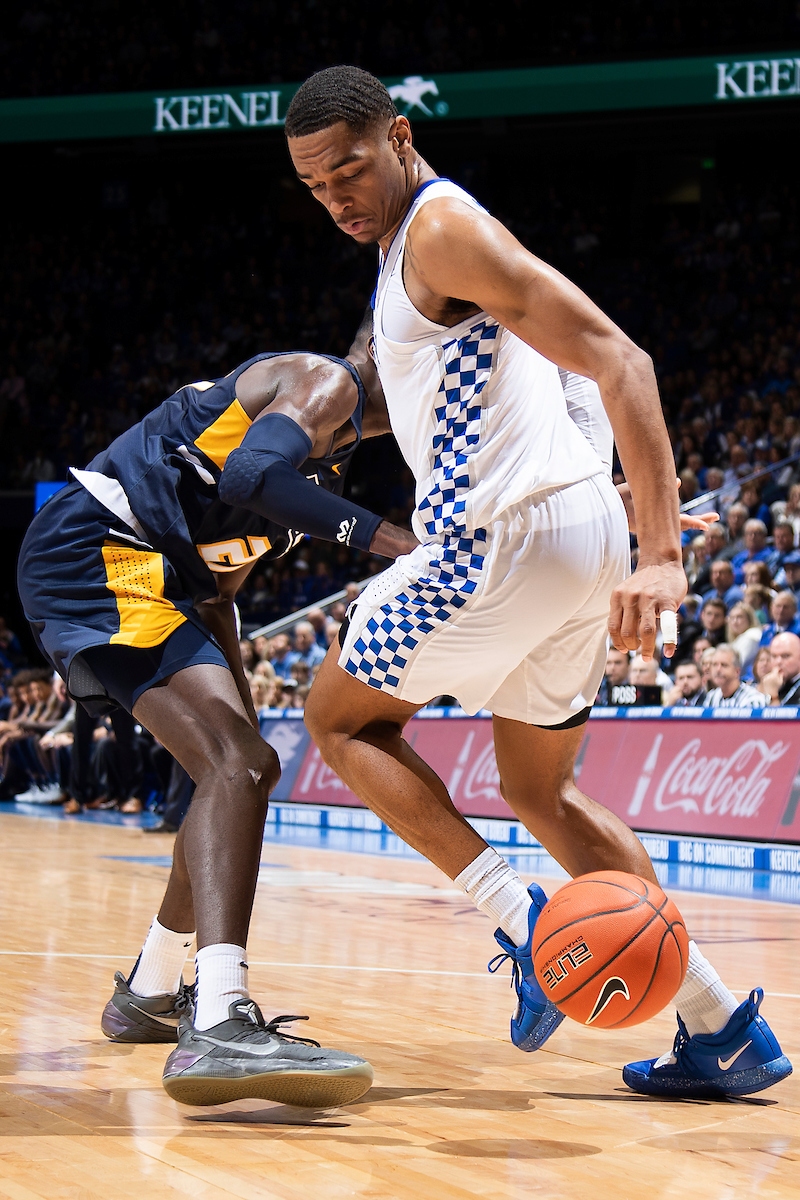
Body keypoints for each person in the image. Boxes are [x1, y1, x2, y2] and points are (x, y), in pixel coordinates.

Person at [286, 66, 790, 1099]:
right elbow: (552, 396)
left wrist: (656, 553)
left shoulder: (435, 230)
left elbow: (623, 361)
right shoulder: (431, 251)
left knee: (334, 719)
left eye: (347, 168)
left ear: (397, 136)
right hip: (563, 537)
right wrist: (604, 508)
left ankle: (524, 933)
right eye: (312, 186)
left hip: (497, 549)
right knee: (535, 790)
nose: (335, 196)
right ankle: (717, 1026)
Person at [18, 336, 419, 1107]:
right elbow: (250, 474)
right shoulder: (320, 380)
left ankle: (151, 989)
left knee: (239, 770)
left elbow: (216, 594)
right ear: (385, 346)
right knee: (236, 767)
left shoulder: (329, 457)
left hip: (165, 585)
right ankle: (221, 1018)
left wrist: (240, 716)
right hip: (99, 552)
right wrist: (401, 547)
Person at [760, 631, 800, 705]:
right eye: (774, 656)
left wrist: (773, 696)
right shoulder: (770, 683)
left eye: (785, 656)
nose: (778, 662)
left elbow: (775, 716)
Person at [725, 602, 762, 675]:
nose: (735, 621)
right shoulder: (737, 640)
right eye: (732, 618)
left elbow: (741, 665)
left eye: (739, 617)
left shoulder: (751, 636)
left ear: (749, 619)